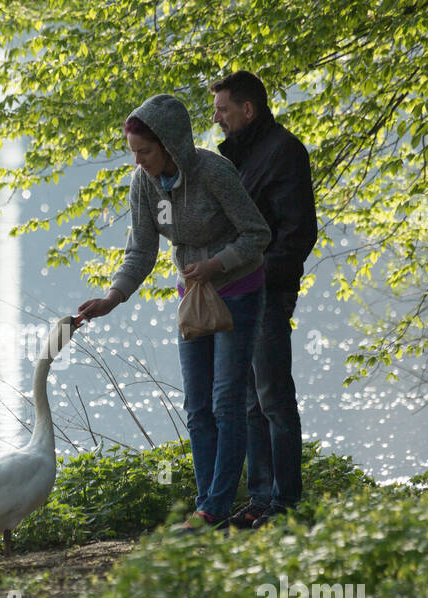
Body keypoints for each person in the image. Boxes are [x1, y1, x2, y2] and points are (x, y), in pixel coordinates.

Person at [78, 94, 270, 530]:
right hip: (193, 298)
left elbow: (258, 233)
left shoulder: (214, 172)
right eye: (134, 152)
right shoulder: (143, 184)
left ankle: (216, 509)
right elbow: (142, 250)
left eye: (145, 151)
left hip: (237, 290)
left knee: (227, 402)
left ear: (170, 143)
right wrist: (113, 297)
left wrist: (217, 263)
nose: (140, 160)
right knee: (198, 405)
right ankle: (208, 506)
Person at [211, 71, 318, 528]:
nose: (216, 119)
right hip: (238, 292)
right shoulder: (240, 156)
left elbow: (298, 232)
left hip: (267, 293)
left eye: (222, 110)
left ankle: (286, 505)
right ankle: (260, 501)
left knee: (273, 396)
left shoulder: (284, 152)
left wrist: (259, 275)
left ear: (247, 109)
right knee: (251, 401)